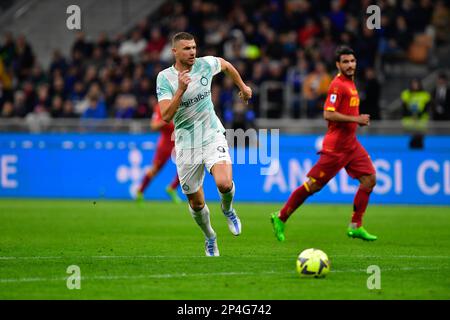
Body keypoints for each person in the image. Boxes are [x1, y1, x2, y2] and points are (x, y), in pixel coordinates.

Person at [156, 32, 252, 256]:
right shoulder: (164, 78)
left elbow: (226, 65)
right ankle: (210, 237)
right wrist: (180, 89)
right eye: (187, 48)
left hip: (211, 134)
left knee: (224, 183)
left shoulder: (205, 64)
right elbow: (166, 116)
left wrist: (243, 87)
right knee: (196, 203)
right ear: (175, 52)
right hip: (186, 143)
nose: (192, 52)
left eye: (194, 47)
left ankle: (227, 209)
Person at [271, 46, 378, 242]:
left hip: (351, 145)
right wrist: (356, 120)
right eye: (345, 62)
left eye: (352, 61)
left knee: (369, 179)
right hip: (336, 148)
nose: (350, 65)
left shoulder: (351, 84)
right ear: (338, 64)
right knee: (313, 186)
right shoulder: (337, 85)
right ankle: (280, 216)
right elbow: (327, 113)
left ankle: (356, 225)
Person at [136, 102, 181, 204]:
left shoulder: (184, 101)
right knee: (155, 169)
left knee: (186, 168)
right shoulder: (161, 105)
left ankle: (172, 188)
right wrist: (166, 120)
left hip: (180, 142)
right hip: (165, 144)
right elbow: (154, 126)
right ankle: (140, 191)